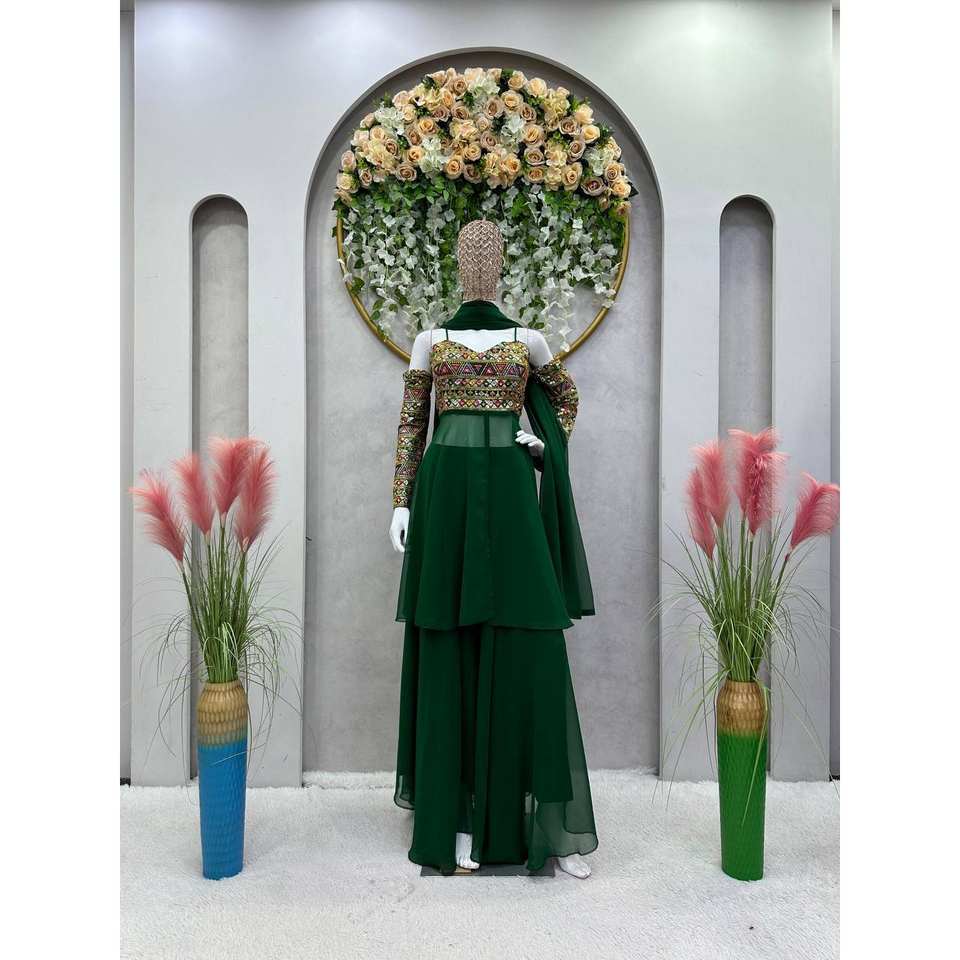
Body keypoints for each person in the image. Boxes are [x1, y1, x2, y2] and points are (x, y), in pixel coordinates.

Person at [389, 219, 597, 878]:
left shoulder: (527, 339)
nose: (479, 263)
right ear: (458, 264)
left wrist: (542, 446)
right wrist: (401, 500)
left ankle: (547, 823)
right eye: (470, 254)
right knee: (448, 642)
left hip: (509, 497)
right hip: (445, 498)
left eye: (489, 254)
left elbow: (564, 398)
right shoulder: (430, 340)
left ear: (502, 264)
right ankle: (452, 819)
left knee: (529, 641)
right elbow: (411, 425)